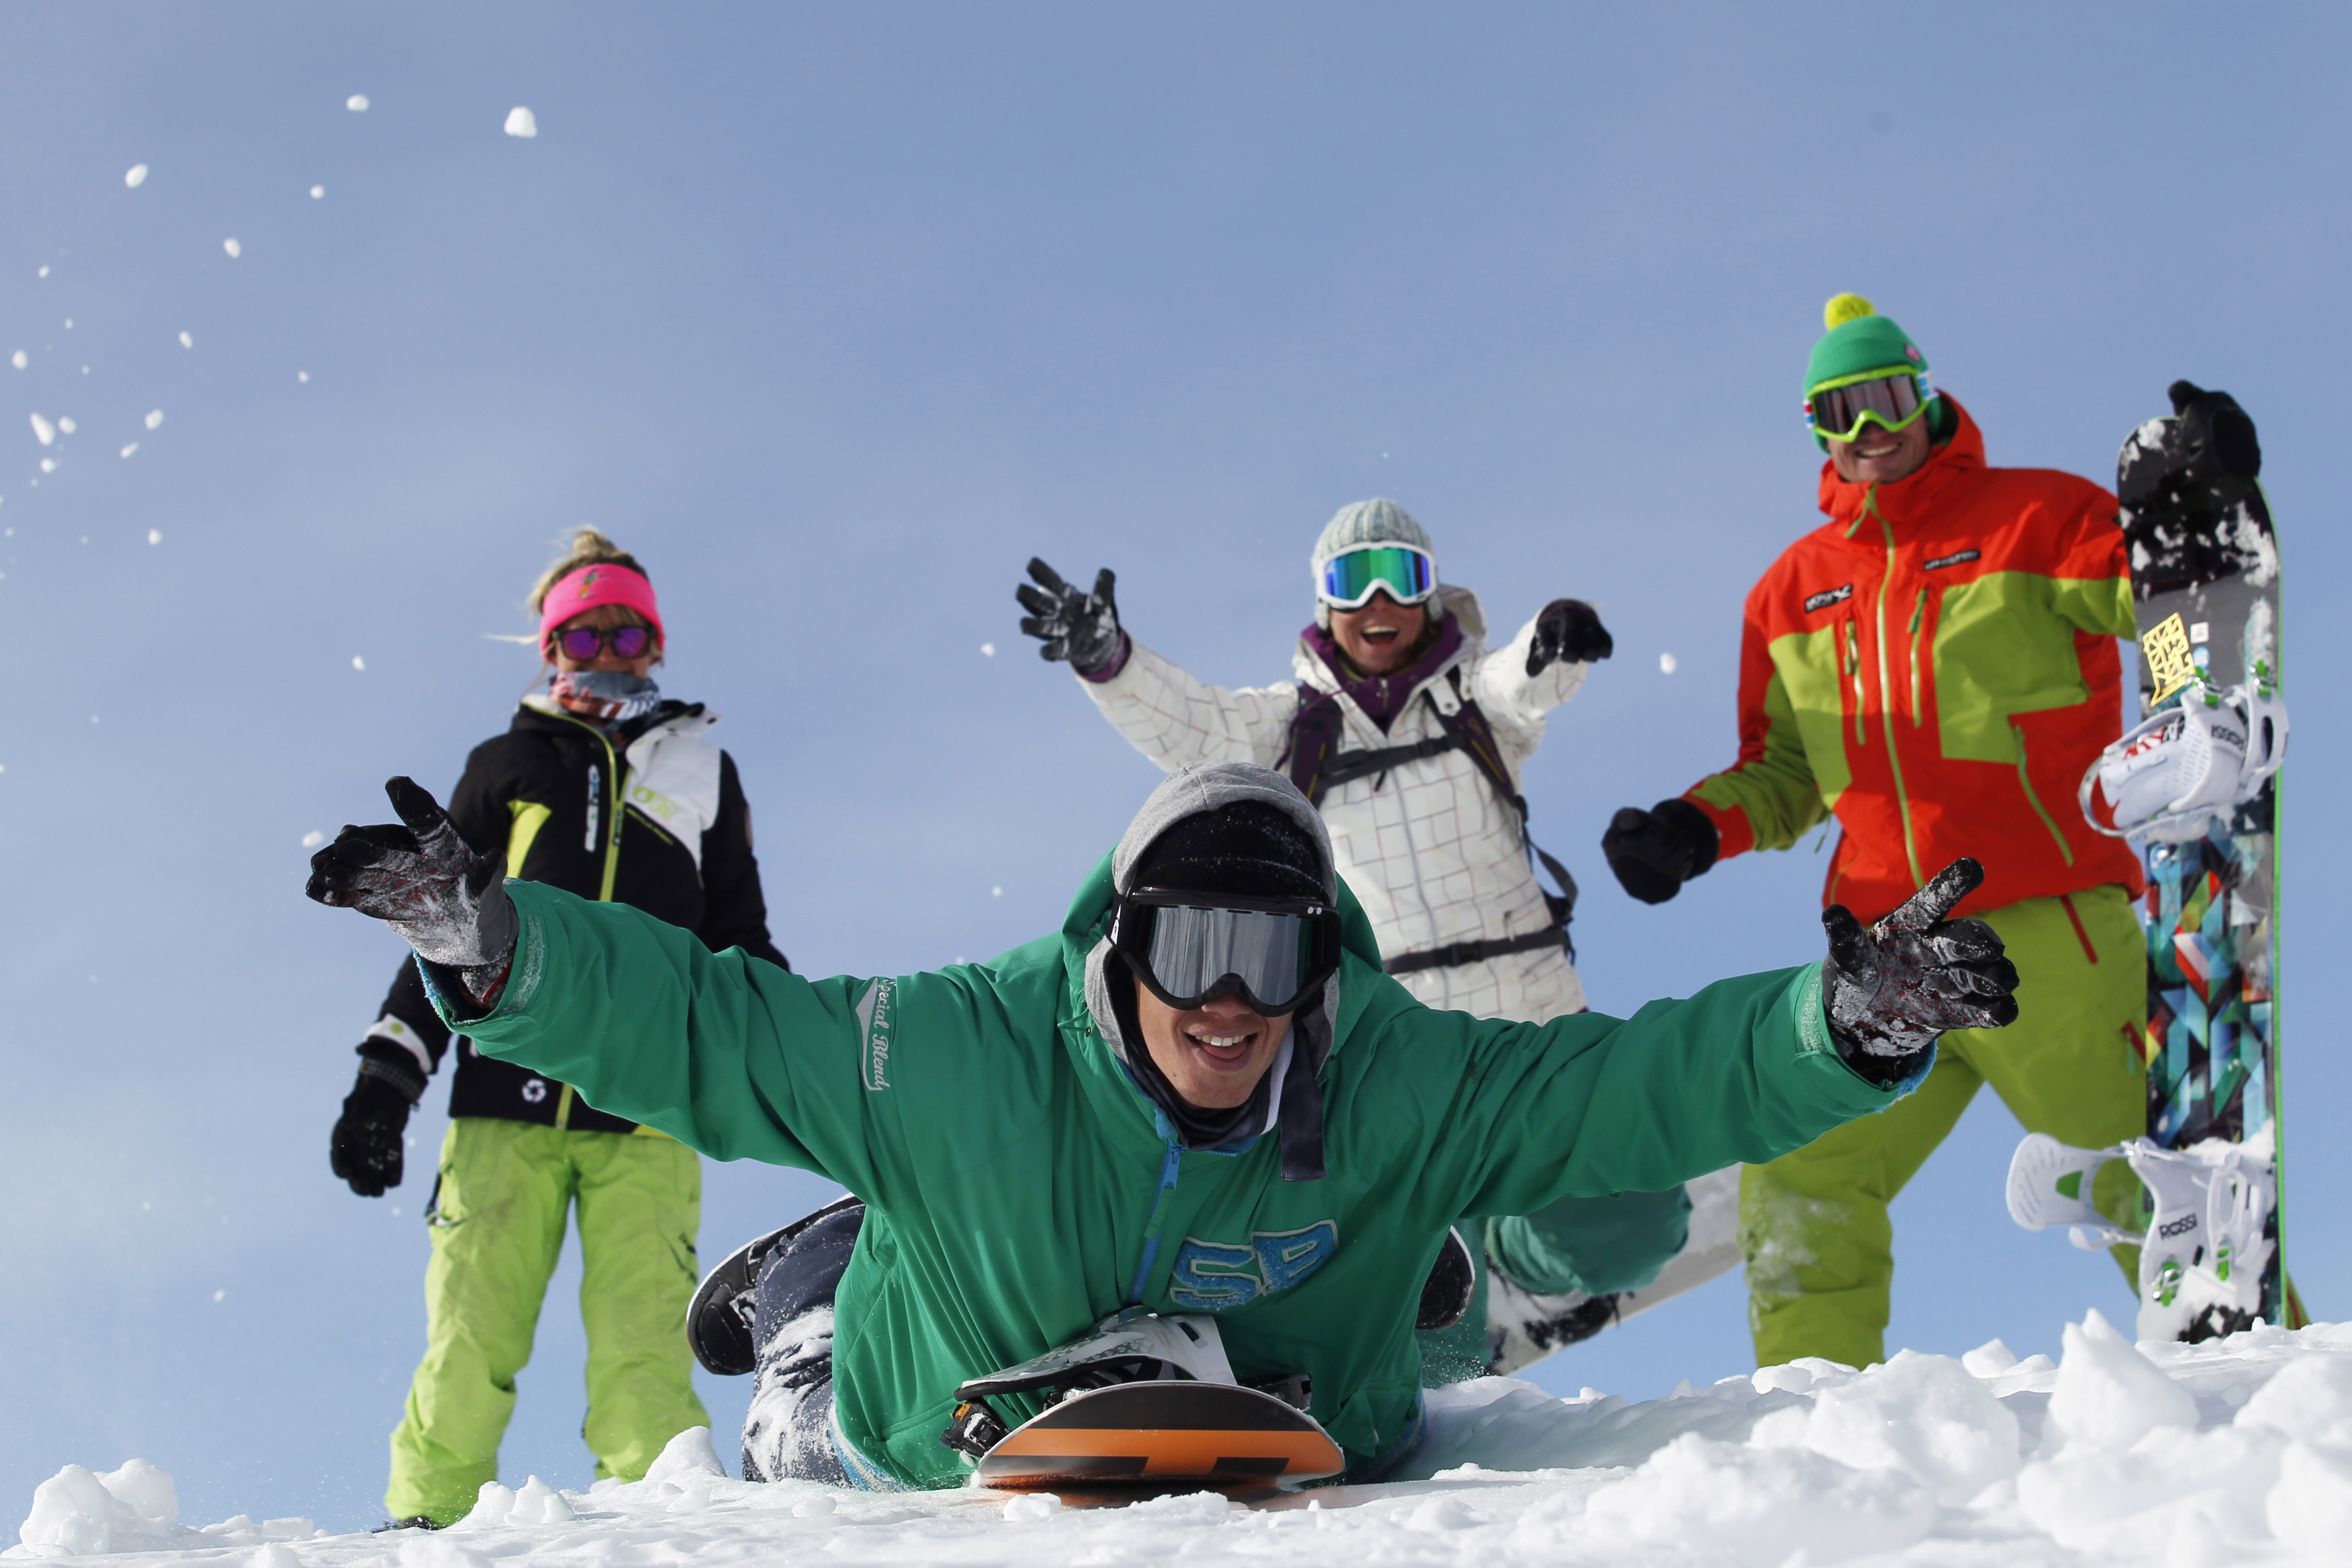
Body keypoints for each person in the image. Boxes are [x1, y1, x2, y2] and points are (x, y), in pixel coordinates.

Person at [307, 757, 2020, 1490]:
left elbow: (1638, 1080)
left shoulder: (1391, 1067)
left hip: (1294, 1379)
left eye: (1272, 956)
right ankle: (811, 1301)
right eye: (1189, 948)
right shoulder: (961, 1046)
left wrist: (1839, 1018)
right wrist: (506, 942)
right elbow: (711, 1025)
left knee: (1489, 1269)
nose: (1229, 998)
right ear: (1117, 943)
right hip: (942, 1393)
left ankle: (1420, 1289)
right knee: (823, 1423)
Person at [1016, 500, 1707, 1383]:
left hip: (1529, 1016)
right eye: (1353, 580)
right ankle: (1453, 1342)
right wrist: (1108, 660)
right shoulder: (1295, 729)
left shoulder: (1473, 709)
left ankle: (1533, 1282)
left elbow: (1518, 679)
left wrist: (1556, 636)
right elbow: (1194, 728)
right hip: (1400, 1046)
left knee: (1632, 1222)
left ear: (1432, 594)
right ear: (1324, 603)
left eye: (1402, 576)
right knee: (1411, 1261)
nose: (1379, 599)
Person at [1598, 295, 2149, 1371]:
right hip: (1887, 949)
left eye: (1886, 399)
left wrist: (2190, 698)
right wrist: (1695, 829)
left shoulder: (2040, 517)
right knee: (1804, 1169)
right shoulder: (1792, 594)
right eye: (1838, 414)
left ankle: (2272, 1377)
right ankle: (1816, 1413)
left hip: (2044, 921)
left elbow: (2161, 608)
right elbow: (1786, 773)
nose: (1868, 431)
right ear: (1816, 432)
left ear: (1926, 389)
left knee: (2137, 1169)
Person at [327, 530, 791, 1526]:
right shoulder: (506, 765)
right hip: (505, 1093)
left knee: (642, 1338)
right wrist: (386, 1077)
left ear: (655, 642)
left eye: (629, 631)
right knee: (473, 1328)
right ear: (552, 651)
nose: (611, 653)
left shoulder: (704, 768)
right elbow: (438, 926)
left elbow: (741, 935)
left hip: (652, 1099)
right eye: (585, 637)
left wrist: (792, 1054)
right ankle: (425, 1523)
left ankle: (659, 1521)